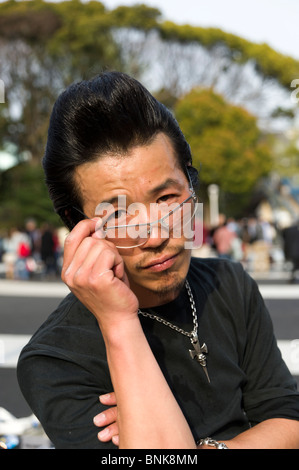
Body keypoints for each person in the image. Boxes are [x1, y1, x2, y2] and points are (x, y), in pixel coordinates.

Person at [17, 71, 299, 449]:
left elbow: (289, 419)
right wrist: (118, 324)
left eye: (167, 199)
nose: (155, 236)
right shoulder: (56, 359)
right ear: (79, 227)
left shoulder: (228, 284)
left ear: (191, 185)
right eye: (117, 215)